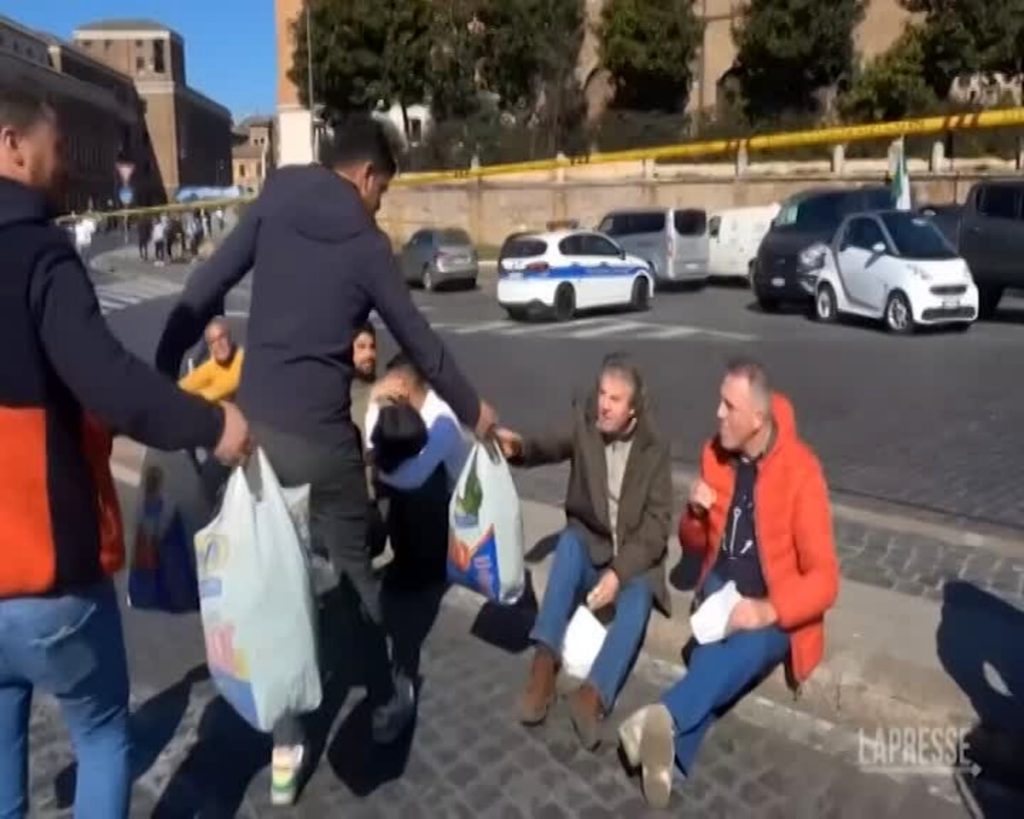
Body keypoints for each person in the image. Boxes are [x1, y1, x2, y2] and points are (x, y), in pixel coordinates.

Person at [154, 113, 497, 806]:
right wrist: (472, 408)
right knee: (354, 575)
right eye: (383, 191)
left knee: (273, 580)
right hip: (321, 439)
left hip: (255, 433)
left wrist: (166, 356)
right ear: (367, 175)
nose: (379, 205)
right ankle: (388, 689)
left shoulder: (276, 194)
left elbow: (207, 281)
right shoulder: (366, 242)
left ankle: (286, 748)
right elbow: (419, 339)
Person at [0, 85, 250, 819]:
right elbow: (108, 379)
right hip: (49, 567)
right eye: (54, 145)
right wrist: (210, 424)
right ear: (11, 145)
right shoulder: (42, 257)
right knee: (104, 734)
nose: (67, 164)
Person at [619, 359, 839, 809]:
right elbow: (694, 544)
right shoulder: (714, 454)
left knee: (746, 648)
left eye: (728, 405)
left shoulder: (801, 471)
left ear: (757, 419)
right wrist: (694, 514)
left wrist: (766, 610)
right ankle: (672, 750)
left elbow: (825, 579)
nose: (717, 414)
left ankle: (662, 720)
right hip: (717, 591)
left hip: (772, 602)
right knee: (711, 658)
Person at [495, 354, 672, 751]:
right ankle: (543, 665)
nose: (604, 405)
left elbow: (658, 525)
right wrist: (519, 446)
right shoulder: (585, 422)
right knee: (570, 543)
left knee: (639, 599)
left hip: (630, 559)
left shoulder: (654, 447)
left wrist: (620, 574)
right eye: (602, 394)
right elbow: (550, 442)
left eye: (615, 399)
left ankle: (593, 696)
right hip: (591, 544)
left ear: (633, 410)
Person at [365, 353, 472, 591]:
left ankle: (427, 565)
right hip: (423, 497)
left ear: (402, 384)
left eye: (387, 382)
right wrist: (374, 400)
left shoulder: (442, 419)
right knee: (393, 468)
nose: (384, 387)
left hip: (456, 507)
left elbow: (410, 479)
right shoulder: (404, 410)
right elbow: (374, 445)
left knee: (412, 480)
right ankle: (406, 559)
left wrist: (377, 466)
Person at [178, 318, 244, 403]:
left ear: (229, 338)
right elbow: (180, 389)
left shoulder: (243, 359)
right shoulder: (211, 367)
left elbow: (229, 385)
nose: (218, 345)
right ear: (210, 348)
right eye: (213, 342)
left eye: (222, 337)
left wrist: (198, 397)